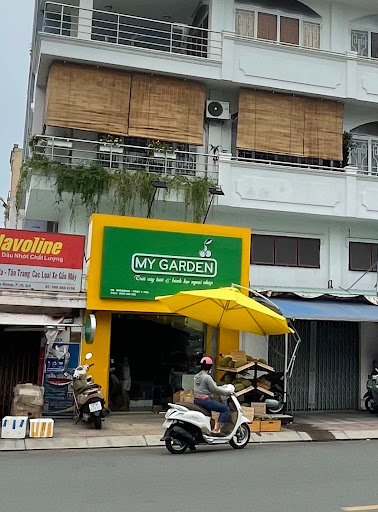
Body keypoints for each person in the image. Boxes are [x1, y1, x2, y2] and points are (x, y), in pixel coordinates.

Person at [194, 356, 230, 434]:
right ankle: (217, 430)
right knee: (225, 409)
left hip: (197, 400)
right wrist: (227, 392)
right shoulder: (207, 377)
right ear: (210, 367)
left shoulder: (196, 376)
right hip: (204, 401)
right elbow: (214, 389)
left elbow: (206, 388)